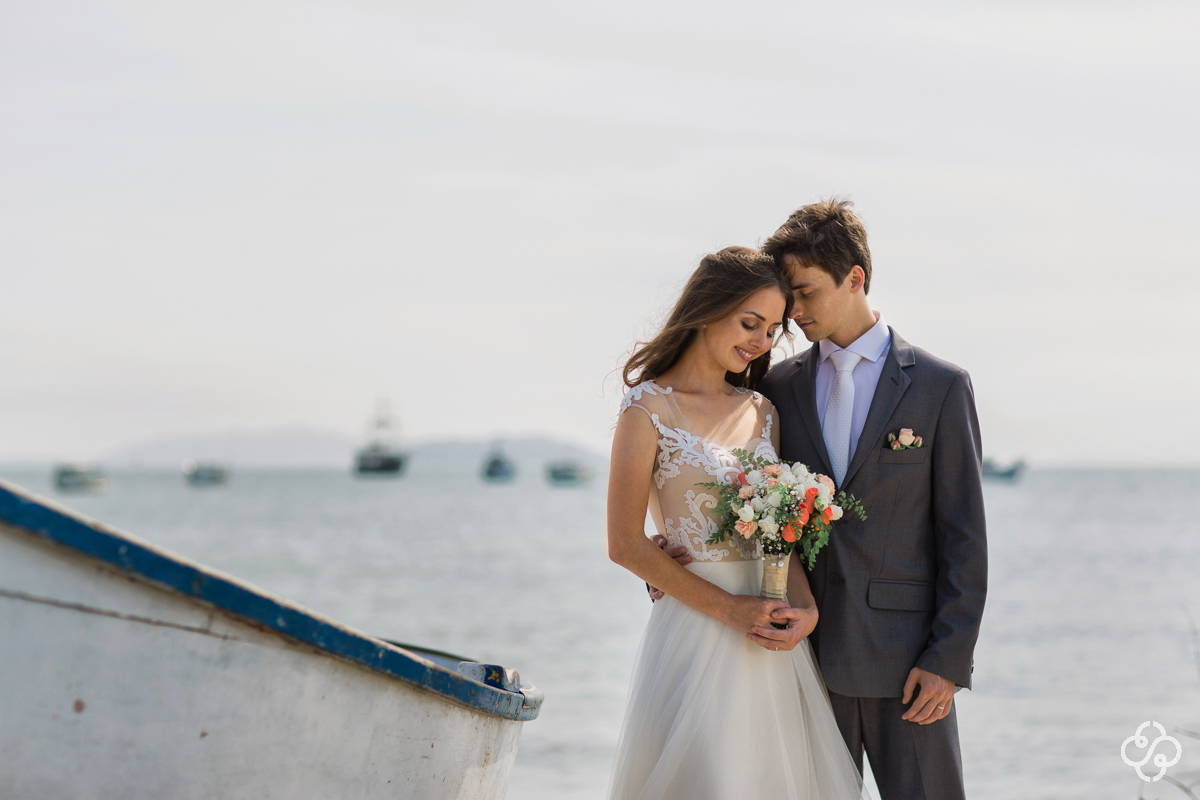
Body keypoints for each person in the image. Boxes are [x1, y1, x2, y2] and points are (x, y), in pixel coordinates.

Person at [656, 200, 988, 799]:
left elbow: (964, 535)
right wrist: (676, 550)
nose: (794, 312)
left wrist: (948, 660)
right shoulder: (776, 386)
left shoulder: (941, 387)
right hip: (794, 661)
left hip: (907, 666)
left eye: (804, 292)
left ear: (855, 278)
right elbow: (718, 467)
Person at [606, 246, 864, 800]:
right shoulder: (646, 409)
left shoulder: (761, 411)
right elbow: (625, 544)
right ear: (706, 308)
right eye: (750, 323)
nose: (760, 342)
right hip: (698, 631)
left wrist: (808, 609)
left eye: (773, 329)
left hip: (770, 637)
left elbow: (779, 534)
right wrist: (731, 611)